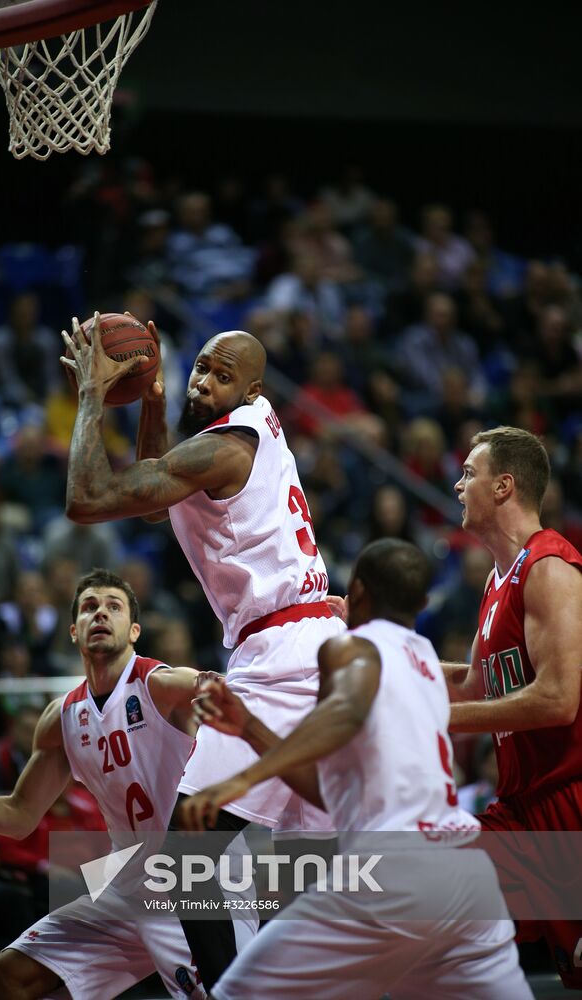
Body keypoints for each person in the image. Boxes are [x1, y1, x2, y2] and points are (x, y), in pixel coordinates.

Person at [62, 316, 346, 988]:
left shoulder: (225, 447)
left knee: (190, 849)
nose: (205, 381)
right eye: (201, 368)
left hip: (284, 653)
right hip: (293, 643)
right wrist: (154, 406)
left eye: (223, 375)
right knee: (304, 867)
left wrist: (89, 397)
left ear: (250, 389)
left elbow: (88, 499)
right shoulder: (245, 434)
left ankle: (227, 988)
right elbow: (161, 506)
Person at [178, 539, 532, 1000]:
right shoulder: (424, 660)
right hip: (465, 878)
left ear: (357, 591)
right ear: (423, 605)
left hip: (392, 875)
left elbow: (342, 712)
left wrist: (241, 779)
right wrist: (250, 730)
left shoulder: (350, 648)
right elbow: (331, 794)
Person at [0, 568, 225, 1000]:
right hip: (128, 877)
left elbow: (220, 690)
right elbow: (19, 817)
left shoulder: (158, 684)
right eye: (89, 607)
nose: (100, 613)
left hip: (198, 872)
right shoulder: (62, 718)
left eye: (113, 606)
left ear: (134, 631)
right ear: (74, 631)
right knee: (7, 977)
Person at [447, 425, 582, 988]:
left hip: (569, 804)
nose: (458, 486)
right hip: (522, 810)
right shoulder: (496, 580)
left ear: (503, 486)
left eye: (469, 474)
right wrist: (377, 653)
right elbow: (477, 682)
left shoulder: (549, 567)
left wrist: (436, 717)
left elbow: (557, 699)